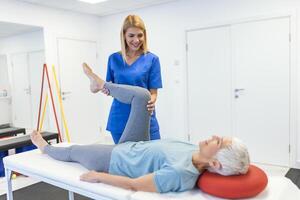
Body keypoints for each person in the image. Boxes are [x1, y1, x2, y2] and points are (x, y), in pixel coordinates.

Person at [30, 65, 250, 193]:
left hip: (115, 158)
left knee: (74, 151)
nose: (213, 136)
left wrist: (99, 176)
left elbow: (134, 185)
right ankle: (101, 86)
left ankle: (44, 147)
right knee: (143, 96)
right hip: (137, 143)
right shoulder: (194, 148)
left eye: (218, 141)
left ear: (215, 163)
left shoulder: (181, 174)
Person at [88, 14, 163, 144]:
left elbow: (154, 92)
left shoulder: (152, 59)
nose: (136, 40)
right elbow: (111, 87)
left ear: (144, 35)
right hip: (120, 117)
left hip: (144, 115)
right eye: (131, 35)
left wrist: (151, 101)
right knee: (125, 160)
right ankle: (95, 84)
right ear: (124, 36)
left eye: (140, 35)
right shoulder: (114, 59)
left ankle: (97, 83)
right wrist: (105, 89)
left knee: (152, 158)